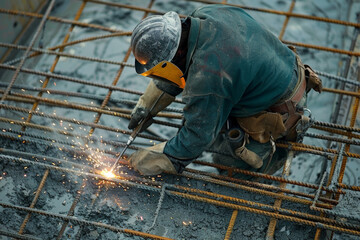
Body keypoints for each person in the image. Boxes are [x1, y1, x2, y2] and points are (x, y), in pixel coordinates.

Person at [126, 4, 322, 178]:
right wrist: (148, 105)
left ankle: (272, 158)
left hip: (281, 106)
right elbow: (180, 67)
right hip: (279, 70)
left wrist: (151, 159)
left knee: (229, 166)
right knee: (201, 113)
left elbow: (197, 136)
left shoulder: (210, 75)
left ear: (175, 54)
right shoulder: (203, 15)